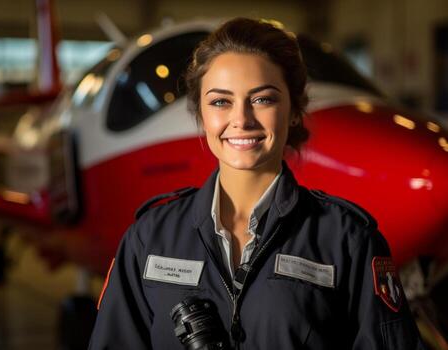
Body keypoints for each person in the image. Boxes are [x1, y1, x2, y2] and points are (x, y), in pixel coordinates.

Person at [88, 17, 425, 349]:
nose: (242, 120)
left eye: (263, 99)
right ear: (201, 115)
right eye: (221, 102)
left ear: (294, 110)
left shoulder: (348, 241)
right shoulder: (149, 239)